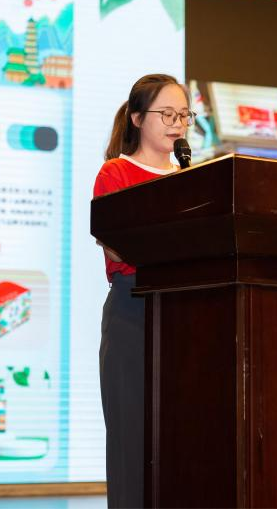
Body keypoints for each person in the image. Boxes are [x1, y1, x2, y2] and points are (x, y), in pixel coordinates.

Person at [92, 73, 194, 508]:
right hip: (133, 308)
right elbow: (116, 244)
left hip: (185, 311)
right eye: (166, 114)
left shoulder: (192, 176)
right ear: (136, 118)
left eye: (184, 115)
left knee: (184, 439)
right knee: (131, 438)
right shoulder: (115, 172)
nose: (177, 124)